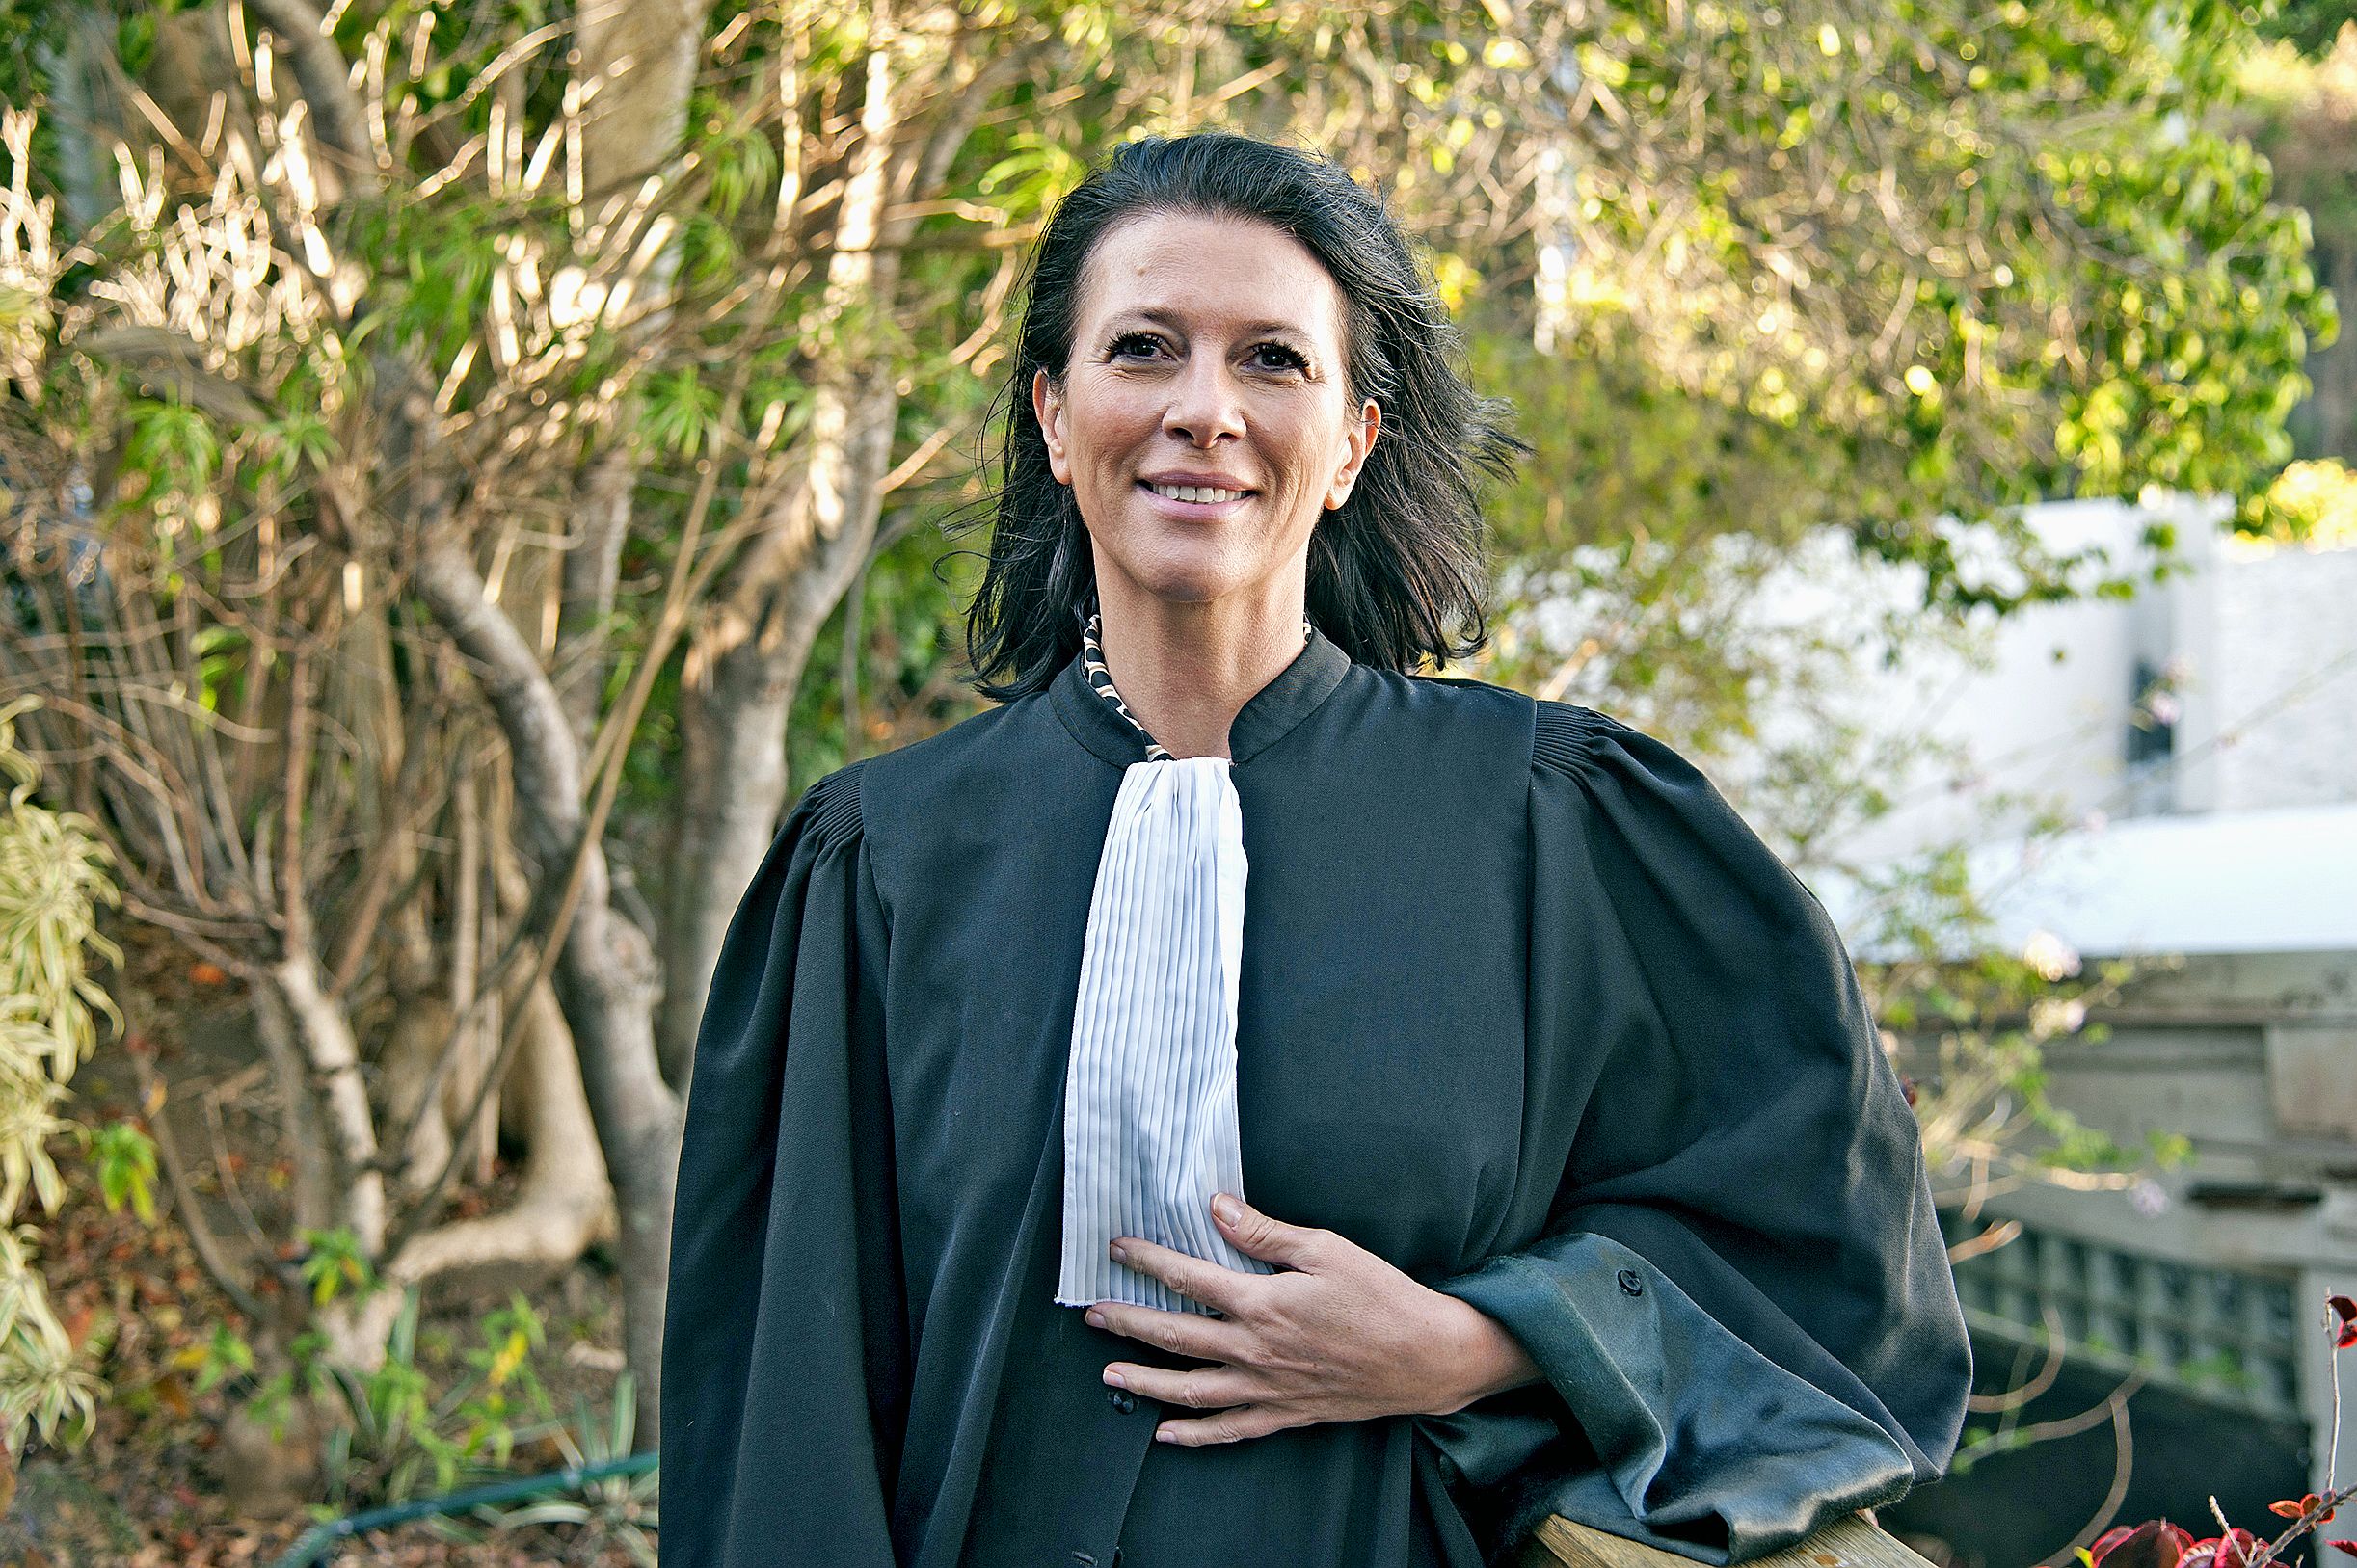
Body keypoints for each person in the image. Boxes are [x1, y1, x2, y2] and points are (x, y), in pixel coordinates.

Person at [658, 130, 1971, 1568]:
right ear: (1052, 412)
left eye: (1273, 361)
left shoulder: (1555, 823)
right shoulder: (881, 864)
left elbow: (1820, 1251)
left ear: (1351, 440)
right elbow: (785, 1396)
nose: (1202, 410)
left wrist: (1480, 1340)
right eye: (1144, 348)